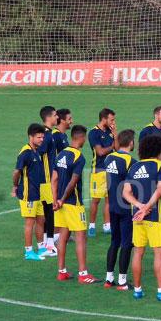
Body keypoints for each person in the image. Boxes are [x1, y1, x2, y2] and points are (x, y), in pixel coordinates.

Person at [123, 135, 161, 301]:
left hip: (137, 217)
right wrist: (147, 207)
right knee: (159, 256)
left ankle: (138, 290)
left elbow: (125, 192)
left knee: (138, 254)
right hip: (154, 217)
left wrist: (139, 206)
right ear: (158, 150)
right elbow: (159, 190)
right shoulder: (159, 165)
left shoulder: (134, 167)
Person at [52, 125, 100, 284]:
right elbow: (73, 182)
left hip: (59, 204)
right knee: (80, 237)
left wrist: (56, 200)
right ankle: (83, 273)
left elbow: (54, 179)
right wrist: (63, 199)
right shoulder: (79, 157)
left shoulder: (60, 155)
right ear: (81, 138)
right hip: (73, 203)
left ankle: (61, 271)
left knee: (63, 237)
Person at [103, 129, 137, 290]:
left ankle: (109, 278)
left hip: (112, 205)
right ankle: (122, 281)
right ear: (131, 143)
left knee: (114, 242)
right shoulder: (132, 162)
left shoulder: (109, 158)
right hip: (126, 207)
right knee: (127, 243)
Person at [12, 123, 46, 261]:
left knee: (41, 220)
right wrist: (15, 186)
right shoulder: (25, 152)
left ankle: (41, 247)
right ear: (30, 137)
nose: (41, 140)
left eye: (42, 137)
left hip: (38, 193)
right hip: (28, 194)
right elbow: (16, 172)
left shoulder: (36, 151)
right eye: (39, 137)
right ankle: (28, 251)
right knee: (30, 222)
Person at [88, 108, 118, 237]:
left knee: (109, 199)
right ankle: (92, 225)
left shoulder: (110, 132)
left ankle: (107, 225)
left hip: (111, 170)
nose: (113, 122)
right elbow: (100, 152)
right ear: (104, 119)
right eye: (111, 119)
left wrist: (116, 135)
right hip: (98, 170)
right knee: (96, 200)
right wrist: (112, 146)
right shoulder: (93, 133)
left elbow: (117, 149)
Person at [37, 106, 58, 257]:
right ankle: (49, 245)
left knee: (46, 210)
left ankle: (46, 242)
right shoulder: (47, 135)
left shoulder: (47, 134)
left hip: (45, 178)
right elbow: (38, 152)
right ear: (49, 117)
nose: (57, 118)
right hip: (46, 179)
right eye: (55, 115)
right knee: (49, 211)